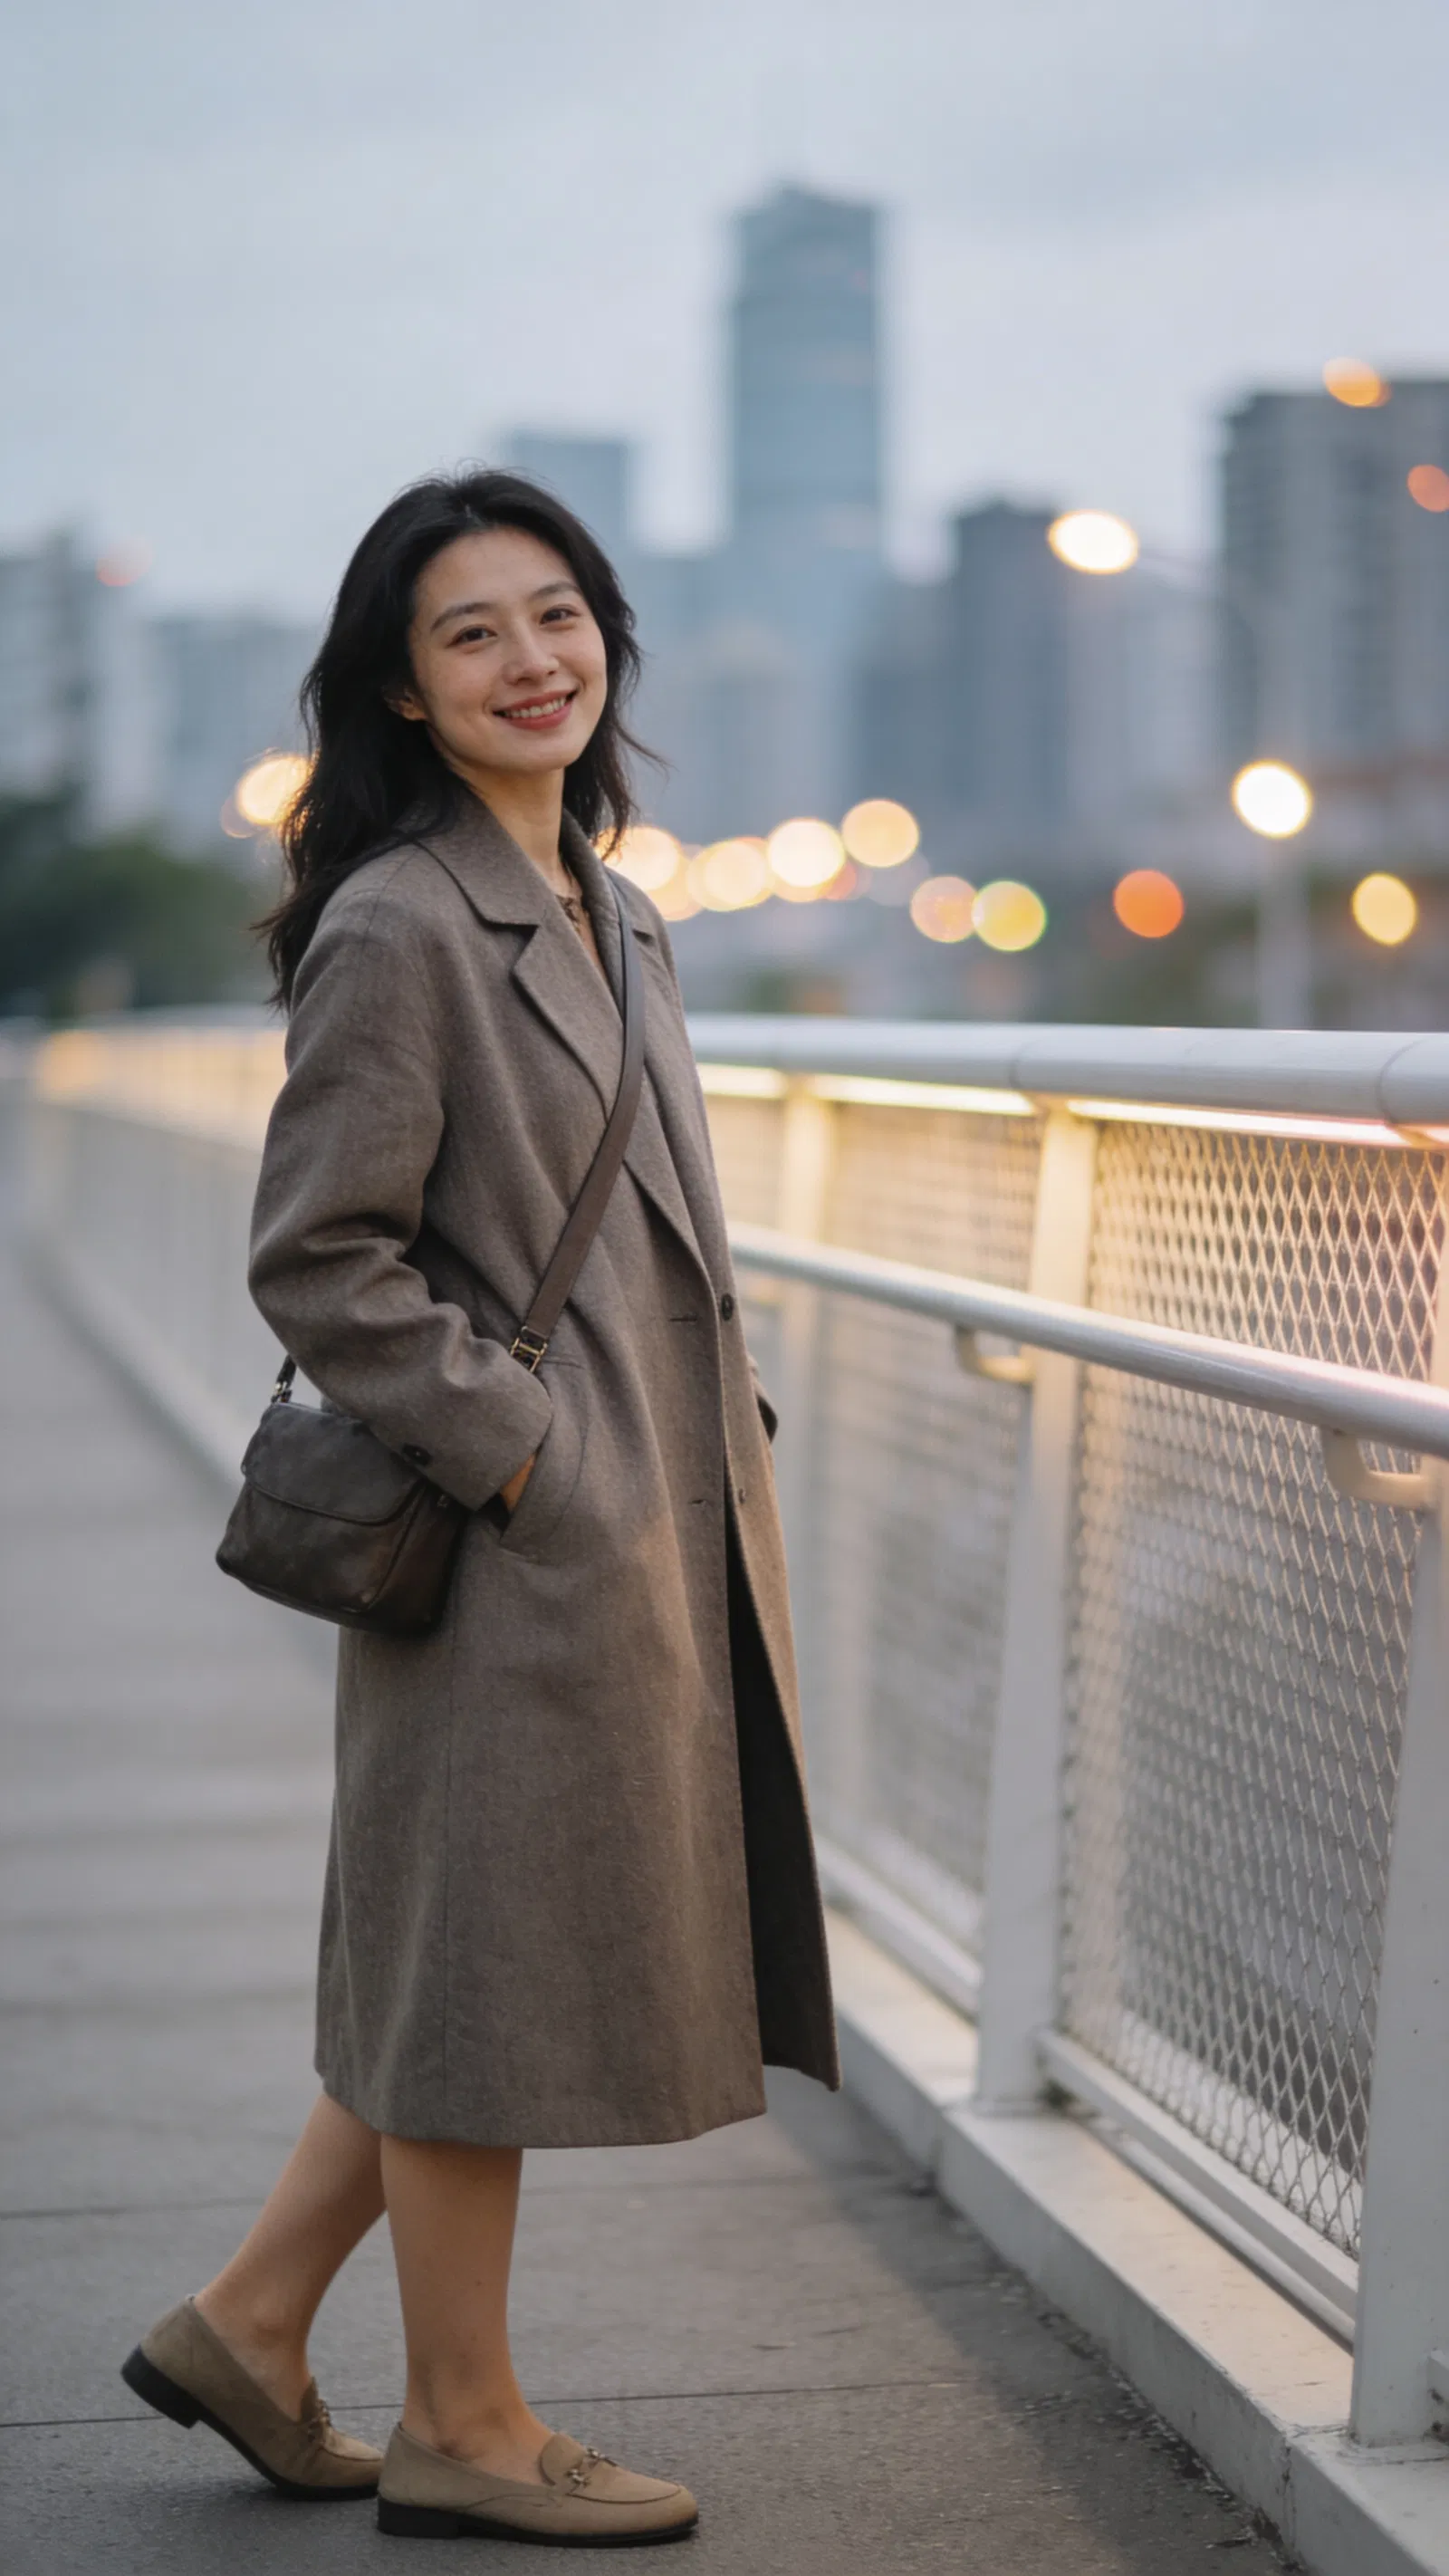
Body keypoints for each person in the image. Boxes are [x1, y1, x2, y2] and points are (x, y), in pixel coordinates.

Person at [121, 469, 839, 2547]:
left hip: (634, 1530)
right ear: (400, 691)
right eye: (470, 633)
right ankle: (466, 2424)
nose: (531, 660)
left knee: (467, 1956)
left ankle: (252, 2328)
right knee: (474, 1986)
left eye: (558, 614)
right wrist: (530, 1456)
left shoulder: (613, 908)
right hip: (515, 1539)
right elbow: (320, 1255)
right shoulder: (402, 921)